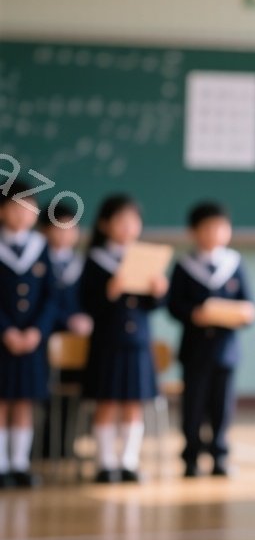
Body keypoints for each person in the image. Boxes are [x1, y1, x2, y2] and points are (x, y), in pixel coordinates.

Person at [78, 194, 166, 484]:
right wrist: (109, 293)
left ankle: (128, 462)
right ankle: (106, 463)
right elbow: (86, 303)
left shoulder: (144, 257)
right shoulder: (95, 259)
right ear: (104, 224)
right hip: (107, 342)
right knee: (107, 402)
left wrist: (158, 292)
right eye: (121, 220)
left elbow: (153, 308)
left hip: (138, 342)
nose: (128, 227)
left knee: (133, 403)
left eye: (133, 221)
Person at [167, 201, 255, 477]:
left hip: (225, 350)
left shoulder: (234, 263)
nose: (215, 233)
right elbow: (173, 305)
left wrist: (245, 314)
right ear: (194, 232)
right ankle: (191, 456)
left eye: (221, 227)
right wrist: (194, 314)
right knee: (193, 405)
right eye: (208, 228)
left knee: (222, 406)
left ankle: (220, 455)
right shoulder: (185, 266)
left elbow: (248, 303)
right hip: (195, 349)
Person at [0, 188, 54, 489]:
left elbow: (51, 297)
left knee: (23, 402)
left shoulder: (40, 246)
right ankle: (1, 465)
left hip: (32, 341)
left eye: (30, 208)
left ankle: (19, 464)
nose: (24, 214)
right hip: (3, 340)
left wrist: (37, 330)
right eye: (16, 207)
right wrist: (6, 330)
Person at [36, 200, 89, 466]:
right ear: (45, 230)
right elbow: (44, 302)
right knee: (44, 393)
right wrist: (66, 320)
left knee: (73, 393)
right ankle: (42, 445)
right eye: (60, 227)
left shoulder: (81, 264)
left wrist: (84, 320)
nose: (66, 234)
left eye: (72, 228)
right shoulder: (37, 261)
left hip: (76, 343)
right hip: (44, 338)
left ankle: (66, 443)